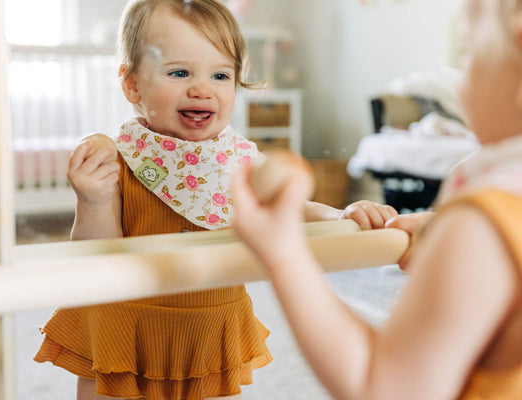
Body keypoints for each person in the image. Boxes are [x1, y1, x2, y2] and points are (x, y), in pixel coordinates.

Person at [34, 1, 396, 399]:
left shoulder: (239, 163)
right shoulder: (122, 158)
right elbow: (96, 259)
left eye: (221, 75)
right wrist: (95, 200)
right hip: (124, 328)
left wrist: (341, 214)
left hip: (212, 329)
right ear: (132, 84)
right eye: (179, 72)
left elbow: (290, 212)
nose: (202, 88)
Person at [231, 0, 522, 399]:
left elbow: (383, 387)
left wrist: (283, 254)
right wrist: (441, 231)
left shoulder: (483, 222)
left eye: (470, 51)